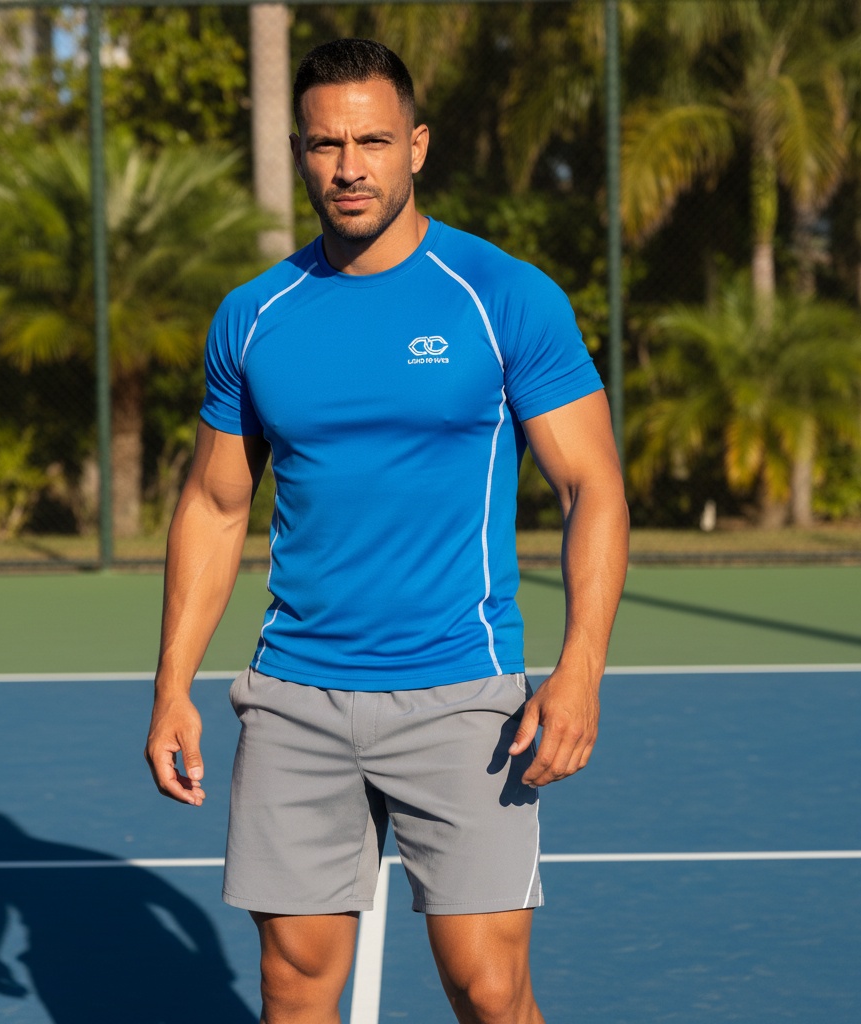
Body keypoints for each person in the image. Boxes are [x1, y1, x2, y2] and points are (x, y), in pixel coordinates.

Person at [145, 37, 629, 1024]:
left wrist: (580, 667)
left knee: (489, 989)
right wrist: (171, 685)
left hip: (460, 693)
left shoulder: (503, 297)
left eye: (371, 140)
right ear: (300, 150)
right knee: (292, 985)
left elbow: (592, 486)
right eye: (325, 145)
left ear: (416, 145)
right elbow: (214, 503)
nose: (349, 167)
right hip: (294, 698)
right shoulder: (254, 315)